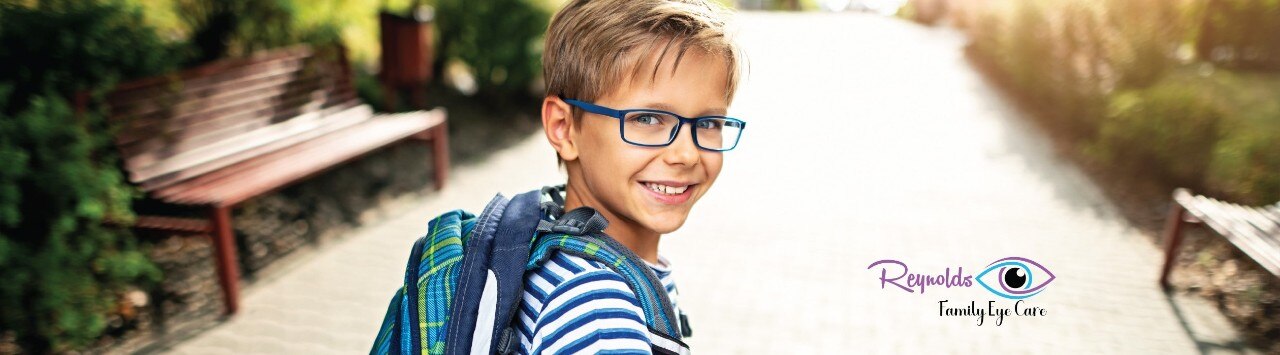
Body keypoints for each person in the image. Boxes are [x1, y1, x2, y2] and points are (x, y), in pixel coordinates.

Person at [522, 0, 746, 352]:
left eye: (708, 123)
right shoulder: (598, 313)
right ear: (563, 128)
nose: (686, 154)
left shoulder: (551, 244)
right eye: (646, 119)